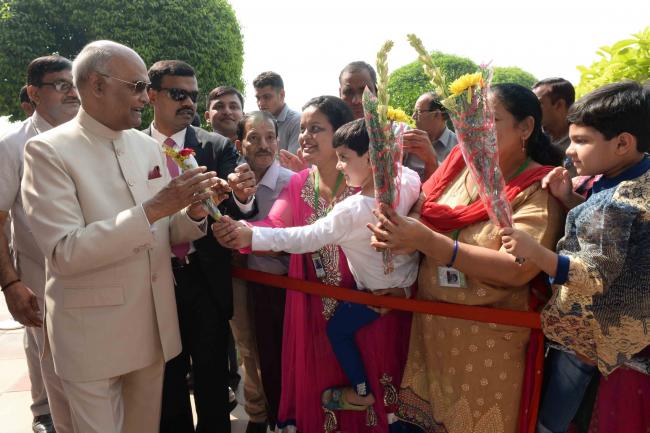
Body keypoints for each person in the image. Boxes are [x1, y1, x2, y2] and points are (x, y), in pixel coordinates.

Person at [20, 40, 222, 433]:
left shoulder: (146, 146)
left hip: (152, 328)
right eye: (137, 86)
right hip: (91, 337)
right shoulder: (47, 151)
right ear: (97, 85)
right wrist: (154, 209)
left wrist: (193, 213)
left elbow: (163, 230)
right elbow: (64, 252)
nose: (146, 97)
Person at [368, 83, 565, 433]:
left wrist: (431, 243)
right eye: (469, 120)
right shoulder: (456, 169)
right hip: (430, 336)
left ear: (525, 127)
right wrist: (399, 240)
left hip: (487, 347)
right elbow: (419, 214)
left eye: (489, 120)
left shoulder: (538, 189)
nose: (475, 130)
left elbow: (518, 269)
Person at [214, 96, 412, 433]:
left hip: (371, 303)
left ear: (341, 134)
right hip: (313, 308)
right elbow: (276, 225)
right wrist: (241, 230)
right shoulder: (299, 182)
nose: (304, 136)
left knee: (374, 381)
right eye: (303, 128)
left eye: (316, 129)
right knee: (322, 385)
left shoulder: (373, 186)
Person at [500, 81, 650, 433]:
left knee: (550, 418)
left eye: (581, 140)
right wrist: (570, 199)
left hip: (591, 335)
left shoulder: (617, 203)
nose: (569, 150)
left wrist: (534, 251)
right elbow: (615, 238)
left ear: (622, 143)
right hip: (627, 330)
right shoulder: (632, 176)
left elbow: (592, 275)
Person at [145, 59, 256, 433]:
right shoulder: (130, 148)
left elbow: (238, 204)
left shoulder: (215, 145)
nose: (188, 103)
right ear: (151, 95)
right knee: (167, 382)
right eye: (178, 94)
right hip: (153, 280)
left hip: (205, 280)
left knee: (211, 381)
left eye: (193, 95)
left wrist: (241, 194)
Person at [0, 55, 79, 433]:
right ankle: (44, 413)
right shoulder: (12, 146)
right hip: (39, 276)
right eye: (61, 85)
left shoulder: (89, 137)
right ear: (33, 92)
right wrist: (11, 283)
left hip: (92, 275)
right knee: (47, 356)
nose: (73, 93)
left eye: (76, 85)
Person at [228, 111, 295, 432]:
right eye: (254, 138)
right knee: (249, 349)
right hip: (245, 281)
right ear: (239, 144)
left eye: (270, 137)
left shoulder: (295, 182)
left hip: (289, 284)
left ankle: (288, 414)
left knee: (287, 353)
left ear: (279, 141)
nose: (263, 145)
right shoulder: (229, 182)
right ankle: (257, 414)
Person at [403, 91, 459, 181]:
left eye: (418, 112)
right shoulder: (408, 136)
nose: (413, 117)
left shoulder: (458, 148)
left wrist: (432, 160)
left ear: (436, 114)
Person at [532, 78, 576, 175]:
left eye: (538, 104)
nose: (531, 109)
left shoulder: (584, 141)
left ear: (559, 104)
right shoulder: (530, 141)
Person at [253, 71, 300, 154]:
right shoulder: (258, 123)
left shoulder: (297, 122)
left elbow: (293, 161)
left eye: (267, 97)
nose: (260, 103)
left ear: (282, 95)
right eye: (258, 98)